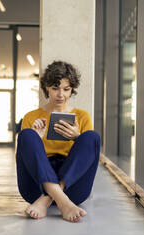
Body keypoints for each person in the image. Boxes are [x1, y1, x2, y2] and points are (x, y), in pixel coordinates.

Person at [16, 61, 100, 223]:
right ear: (47, 88)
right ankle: (63, 202)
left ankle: (49, 200)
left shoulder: (82, 116)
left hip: (72, 187)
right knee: (27, 135)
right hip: (36, 184)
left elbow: (88, 158)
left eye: (66, 89)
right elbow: (21, 160)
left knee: (91, 137)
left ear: (72, 90)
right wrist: (36, 140)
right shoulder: (31, 117)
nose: (61, 94)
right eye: (55, 88)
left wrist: (78, 138)